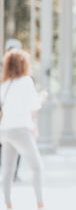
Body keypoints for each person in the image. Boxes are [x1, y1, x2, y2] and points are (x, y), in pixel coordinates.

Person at [0, 49, 46, 210]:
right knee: (37, 166)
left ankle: (8, 203)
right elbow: (33, 106)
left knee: (7, 169)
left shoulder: (5, 84)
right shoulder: (26, 81)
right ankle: (40, 204)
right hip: (21, 129)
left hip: (5, 130)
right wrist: (41, 98)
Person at [0, 39, 23, 183]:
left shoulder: (23, 73)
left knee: (17, 144)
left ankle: (13, 172)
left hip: (15, 115)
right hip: (4, 113)